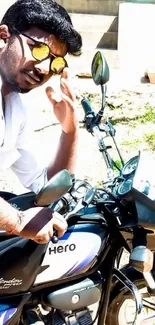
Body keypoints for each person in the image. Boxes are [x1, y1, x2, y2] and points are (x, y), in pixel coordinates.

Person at [0, 0, 82, 244]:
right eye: (37, 49)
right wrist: (18, 221)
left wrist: (70, 130)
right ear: (4, 37)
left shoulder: (14, 107)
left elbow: (46, 185)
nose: (44, 68)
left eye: (56, 62)